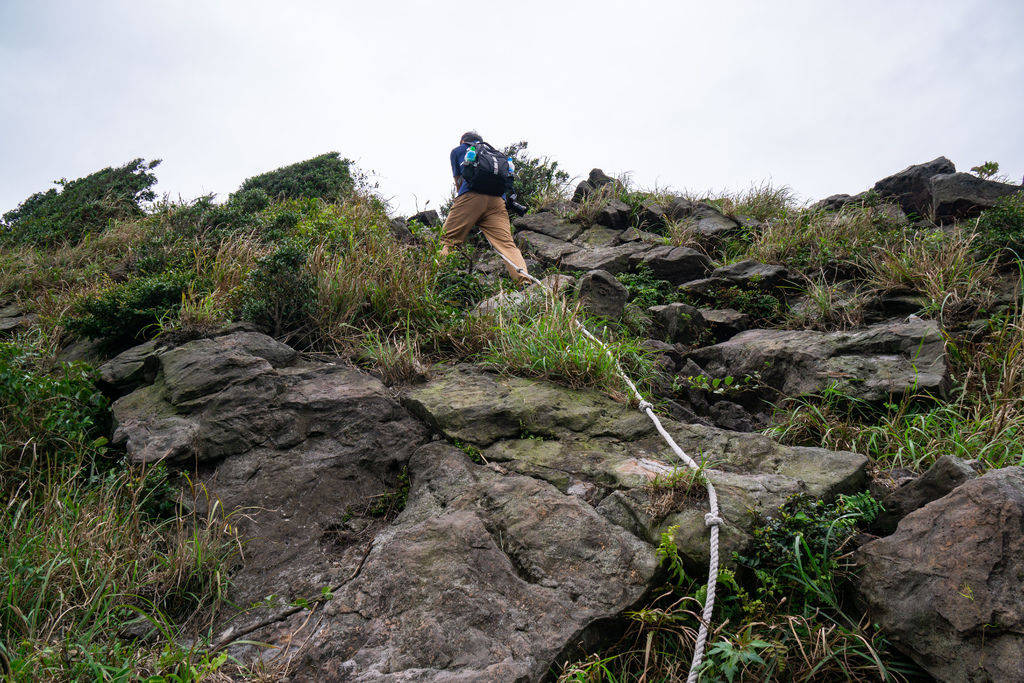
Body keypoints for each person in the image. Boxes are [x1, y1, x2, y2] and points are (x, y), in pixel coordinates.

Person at [440, 131, 531, 285]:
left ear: (463, 141)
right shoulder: (496, 154)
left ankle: (435, 276)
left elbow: (459, 182)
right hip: (497, 202)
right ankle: (524, 282)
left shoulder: (459, 150)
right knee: (507, 245)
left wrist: (467, 209)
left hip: (471, 196)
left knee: (448, 239)